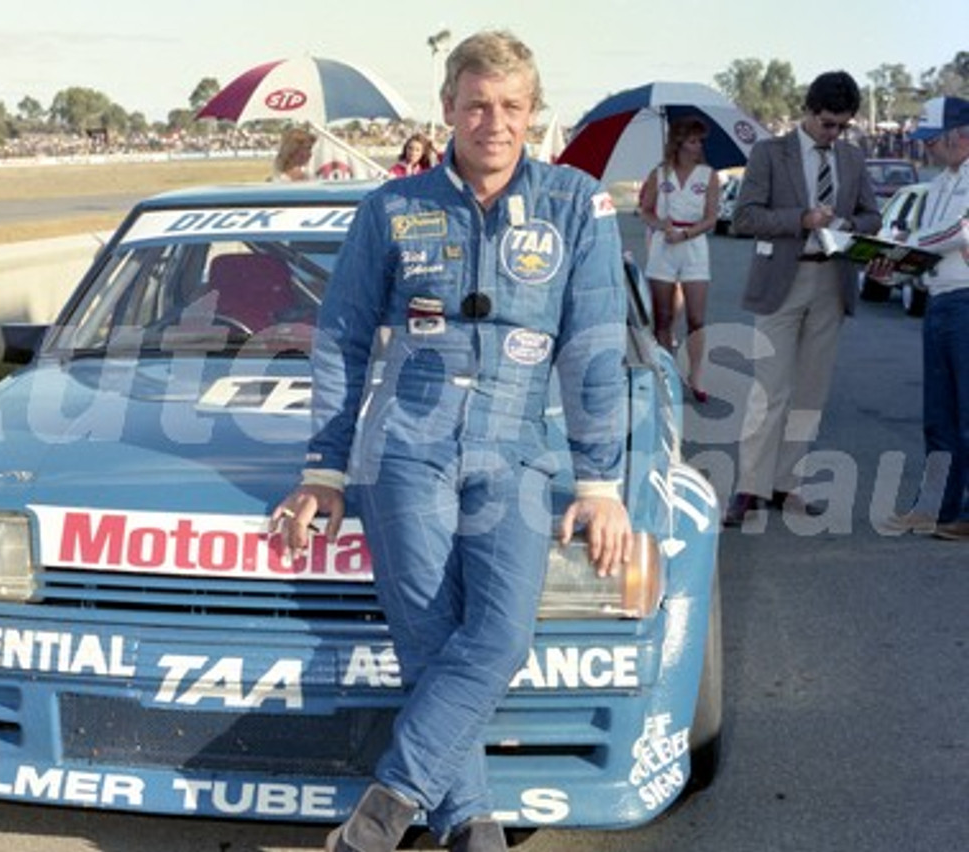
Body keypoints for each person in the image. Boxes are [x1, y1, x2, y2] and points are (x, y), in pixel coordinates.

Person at [271, 30, 633, 852]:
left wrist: (600, 482)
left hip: (517, 452)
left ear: (534, 113)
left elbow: (595, 349)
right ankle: (471, 826)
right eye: (477, 105)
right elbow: (341, 338)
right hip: (409, 446)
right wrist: (324, 469)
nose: (493, 122)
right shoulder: (392, 207)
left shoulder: (578, 204)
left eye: (511, 106)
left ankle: (383, 811)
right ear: (448, 110)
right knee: (428, 640)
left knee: (501, 636)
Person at [723, 71, 881, 527]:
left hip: (831, 282)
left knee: (811, 393)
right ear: (808, 113)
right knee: (768, 391)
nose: (834, 134)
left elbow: (872, 216)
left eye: (842, 126)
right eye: (828, 124)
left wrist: (849, 225)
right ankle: (749, 487)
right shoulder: (771, 153)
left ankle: (787, 483)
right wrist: (803, 219)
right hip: (781, 283)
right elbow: (744, 217)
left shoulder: (851, 158)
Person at [880, 96, 969, 540]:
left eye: (932, 140)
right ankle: (935, 506)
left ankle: (965, 512)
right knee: (939, 417)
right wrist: (891, 261)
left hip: (966, 300)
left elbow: (961, 231)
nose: (927, 149)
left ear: (959, 136)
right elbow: (936, 240)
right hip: (939, 299)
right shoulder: (938, 185)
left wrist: (910, 246)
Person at [638, 116, 720, 401]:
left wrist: (686, 234)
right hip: (663, 248)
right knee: (663, 318)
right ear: (679, 142)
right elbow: (644, 210)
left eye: (700, 141)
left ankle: (696, 376)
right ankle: (667, 374)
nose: (698, 146)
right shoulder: (659, 174)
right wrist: (662, 226)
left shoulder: (708, 175)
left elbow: (711, 218)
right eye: (693, 141)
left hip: (694, 247)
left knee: (696, 318)